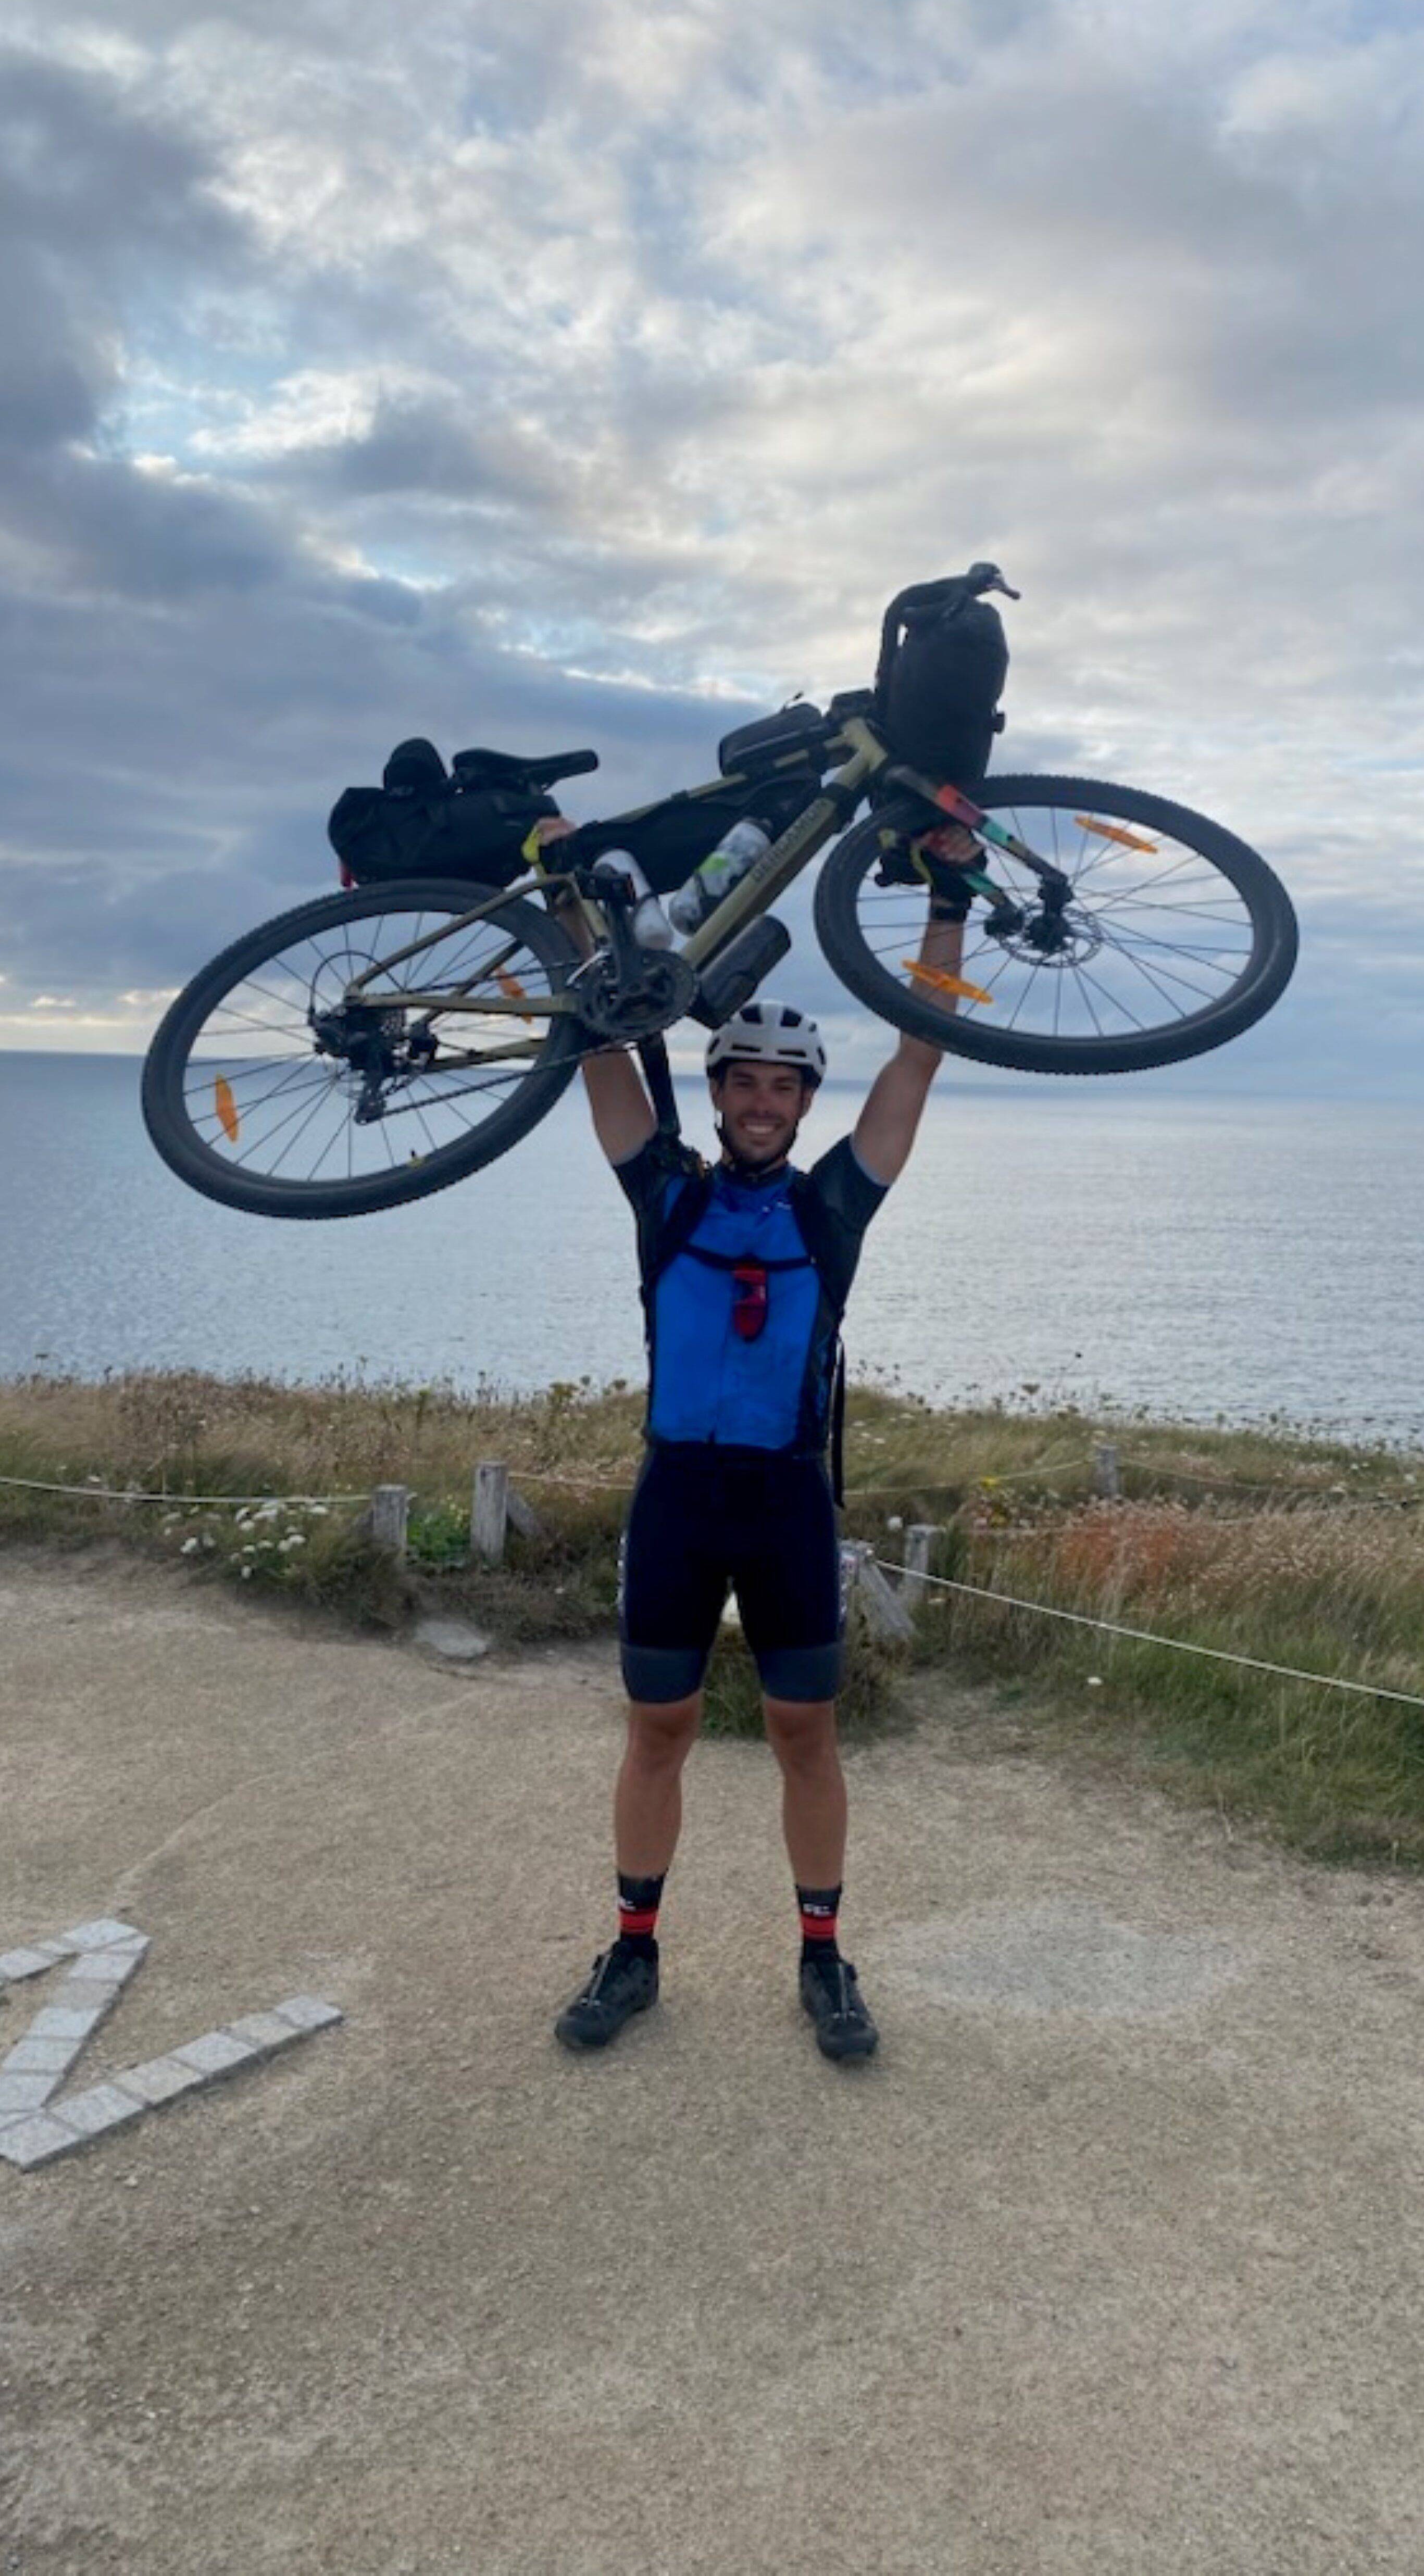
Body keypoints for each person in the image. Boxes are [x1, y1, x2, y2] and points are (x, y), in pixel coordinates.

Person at [553, 827, 981, 2064]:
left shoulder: (832, 1206)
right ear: (722, 1087)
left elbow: (921, 1048)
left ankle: (823, 1958)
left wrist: (947, 900)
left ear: (803, 1103)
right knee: (659, 1732)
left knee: (807, 1736)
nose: (757, 1101)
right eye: (740, 1080)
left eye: (781, 1086)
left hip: (790, 1500)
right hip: (678, 1495)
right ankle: (633, 1949)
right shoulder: (666, 1195)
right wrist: (576, 906)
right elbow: (594, 1038)